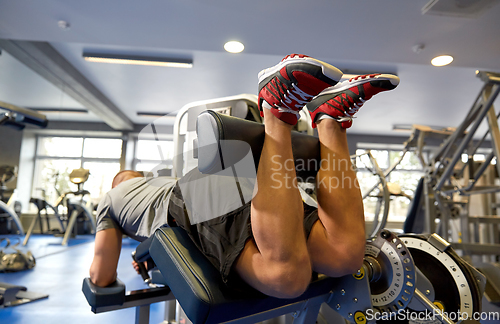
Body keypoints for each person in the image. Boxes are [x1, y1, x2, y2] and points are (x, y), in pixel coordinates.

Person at [89, 54, 400, 298]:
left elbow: (101, 275)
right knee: (343, 257)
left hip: (192, 199)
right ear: (138, 177)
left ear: (121, 181)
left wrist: (105, 281)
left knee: (287, 277)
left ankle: (276, 112)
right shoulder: (159, 182)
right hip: (233, 183)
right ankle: (330, 119)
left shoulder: (111, 199)